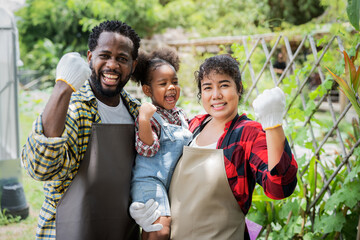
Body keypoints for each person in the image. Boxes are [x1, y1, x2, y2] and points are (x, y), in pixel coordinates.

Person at [132, 54, 298, 239]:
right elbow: (155, 164)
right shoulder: (191, 127)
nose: (216, 95)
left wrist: (273, 125)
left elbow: (279, 188)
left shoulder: (247, 133)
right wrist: (144, 202)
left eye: (224, 85)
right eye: (208, 87)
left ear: (239, 88)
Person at [21, 20, 148, 239]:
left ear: (133, 65)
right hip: (69, 230)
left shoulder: (138, 114)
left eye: (122, 59)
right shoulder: (73, 108)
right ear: (90, 58)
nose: (113, 65)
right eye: (105, 56)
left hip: (122, 231)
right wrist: (62, 88)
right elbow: (40, 168)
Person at [128, 47, 192, 240]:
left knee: (158, 230)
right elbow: (147, 149)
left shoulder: (181, 115)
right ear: (148, 90)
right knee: (160, 228)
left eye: (174, 82)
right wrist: (144, 120)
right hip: (149, 181)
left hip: (171, 183)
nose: (171, 87)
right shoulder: (151, 116)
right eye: (163, 83)